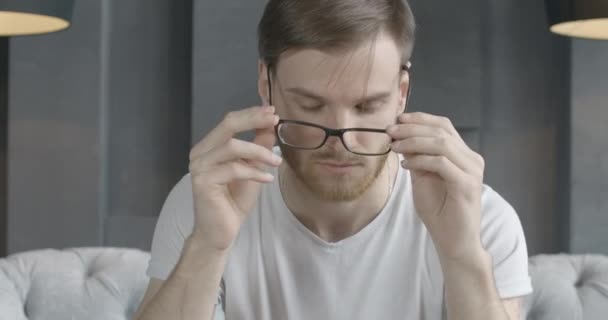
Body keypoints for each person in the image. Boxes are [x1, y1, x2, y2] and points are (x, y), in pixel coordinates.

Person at [134, 0, 532, 319]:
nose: (342, 137)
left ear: (401, 93)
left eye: (367, 105)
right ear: (265, 84)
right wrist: (207, 246)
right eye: (310, 105)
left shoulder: (481, 218)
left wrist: (461, 252)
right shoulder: (206, 200)